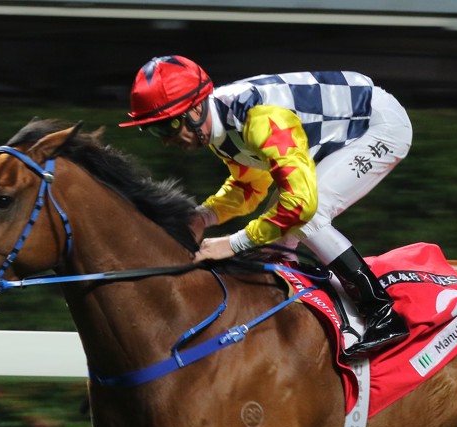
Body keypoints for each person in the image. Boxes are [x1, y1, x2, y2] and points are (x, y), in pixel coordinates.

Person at [119, 55, 413, 356]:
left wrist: (232, 243)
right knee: (278, 240)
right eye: (155, 130)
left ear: (195, 108)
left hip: (377, 126)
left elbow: (300, 205)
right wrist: (203, 217)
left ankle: (382, 312)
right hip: (336, 132)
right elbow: (250, 187)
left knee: (306, 217)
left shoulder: (260, 120)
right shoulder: (219, 131)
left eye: (169, 125)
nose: (167, 140)